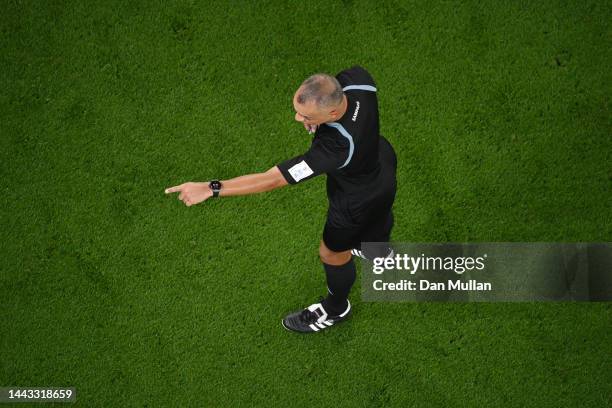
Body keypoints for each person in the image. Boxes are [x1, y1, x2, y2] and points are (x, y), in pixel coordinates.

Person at [165, 65, 397, 333]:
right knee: (379, 211)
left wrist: (212, 188)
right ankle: (378, 251)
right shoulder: (359, 80)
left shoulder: (334, 148)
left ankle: (336, 309)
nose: (298, 119)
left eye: (306, 115)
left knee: (332, 252)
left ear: (333, 112)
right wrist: (316, 118)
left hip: (355, 199)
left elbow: (271, 179)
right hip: (382, 164)